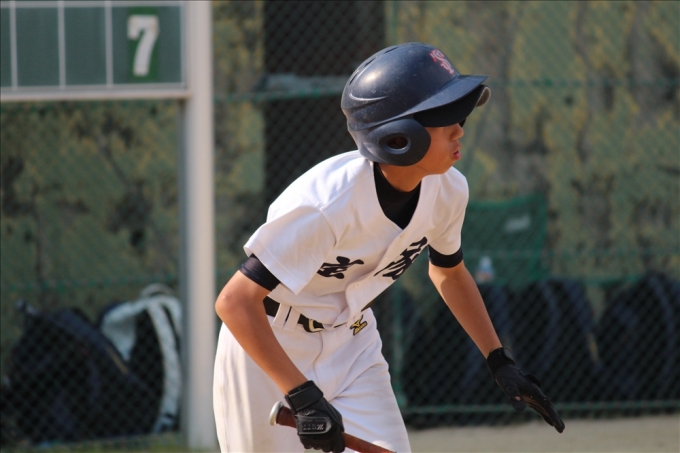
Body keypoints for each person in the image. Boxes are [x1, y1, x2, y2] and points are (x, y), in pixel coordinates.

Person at [213, 42, 565, 453]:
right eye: (445, 118)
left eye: (460, 116)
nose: (459, 130)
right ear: (399, 137)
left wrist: (498, 359)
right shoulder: (326, 204)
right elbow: (235, 302)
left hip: (354, 343)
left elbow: (449, 272)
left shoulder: (449, 189)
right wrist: (301, 395)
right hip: (270, 346)